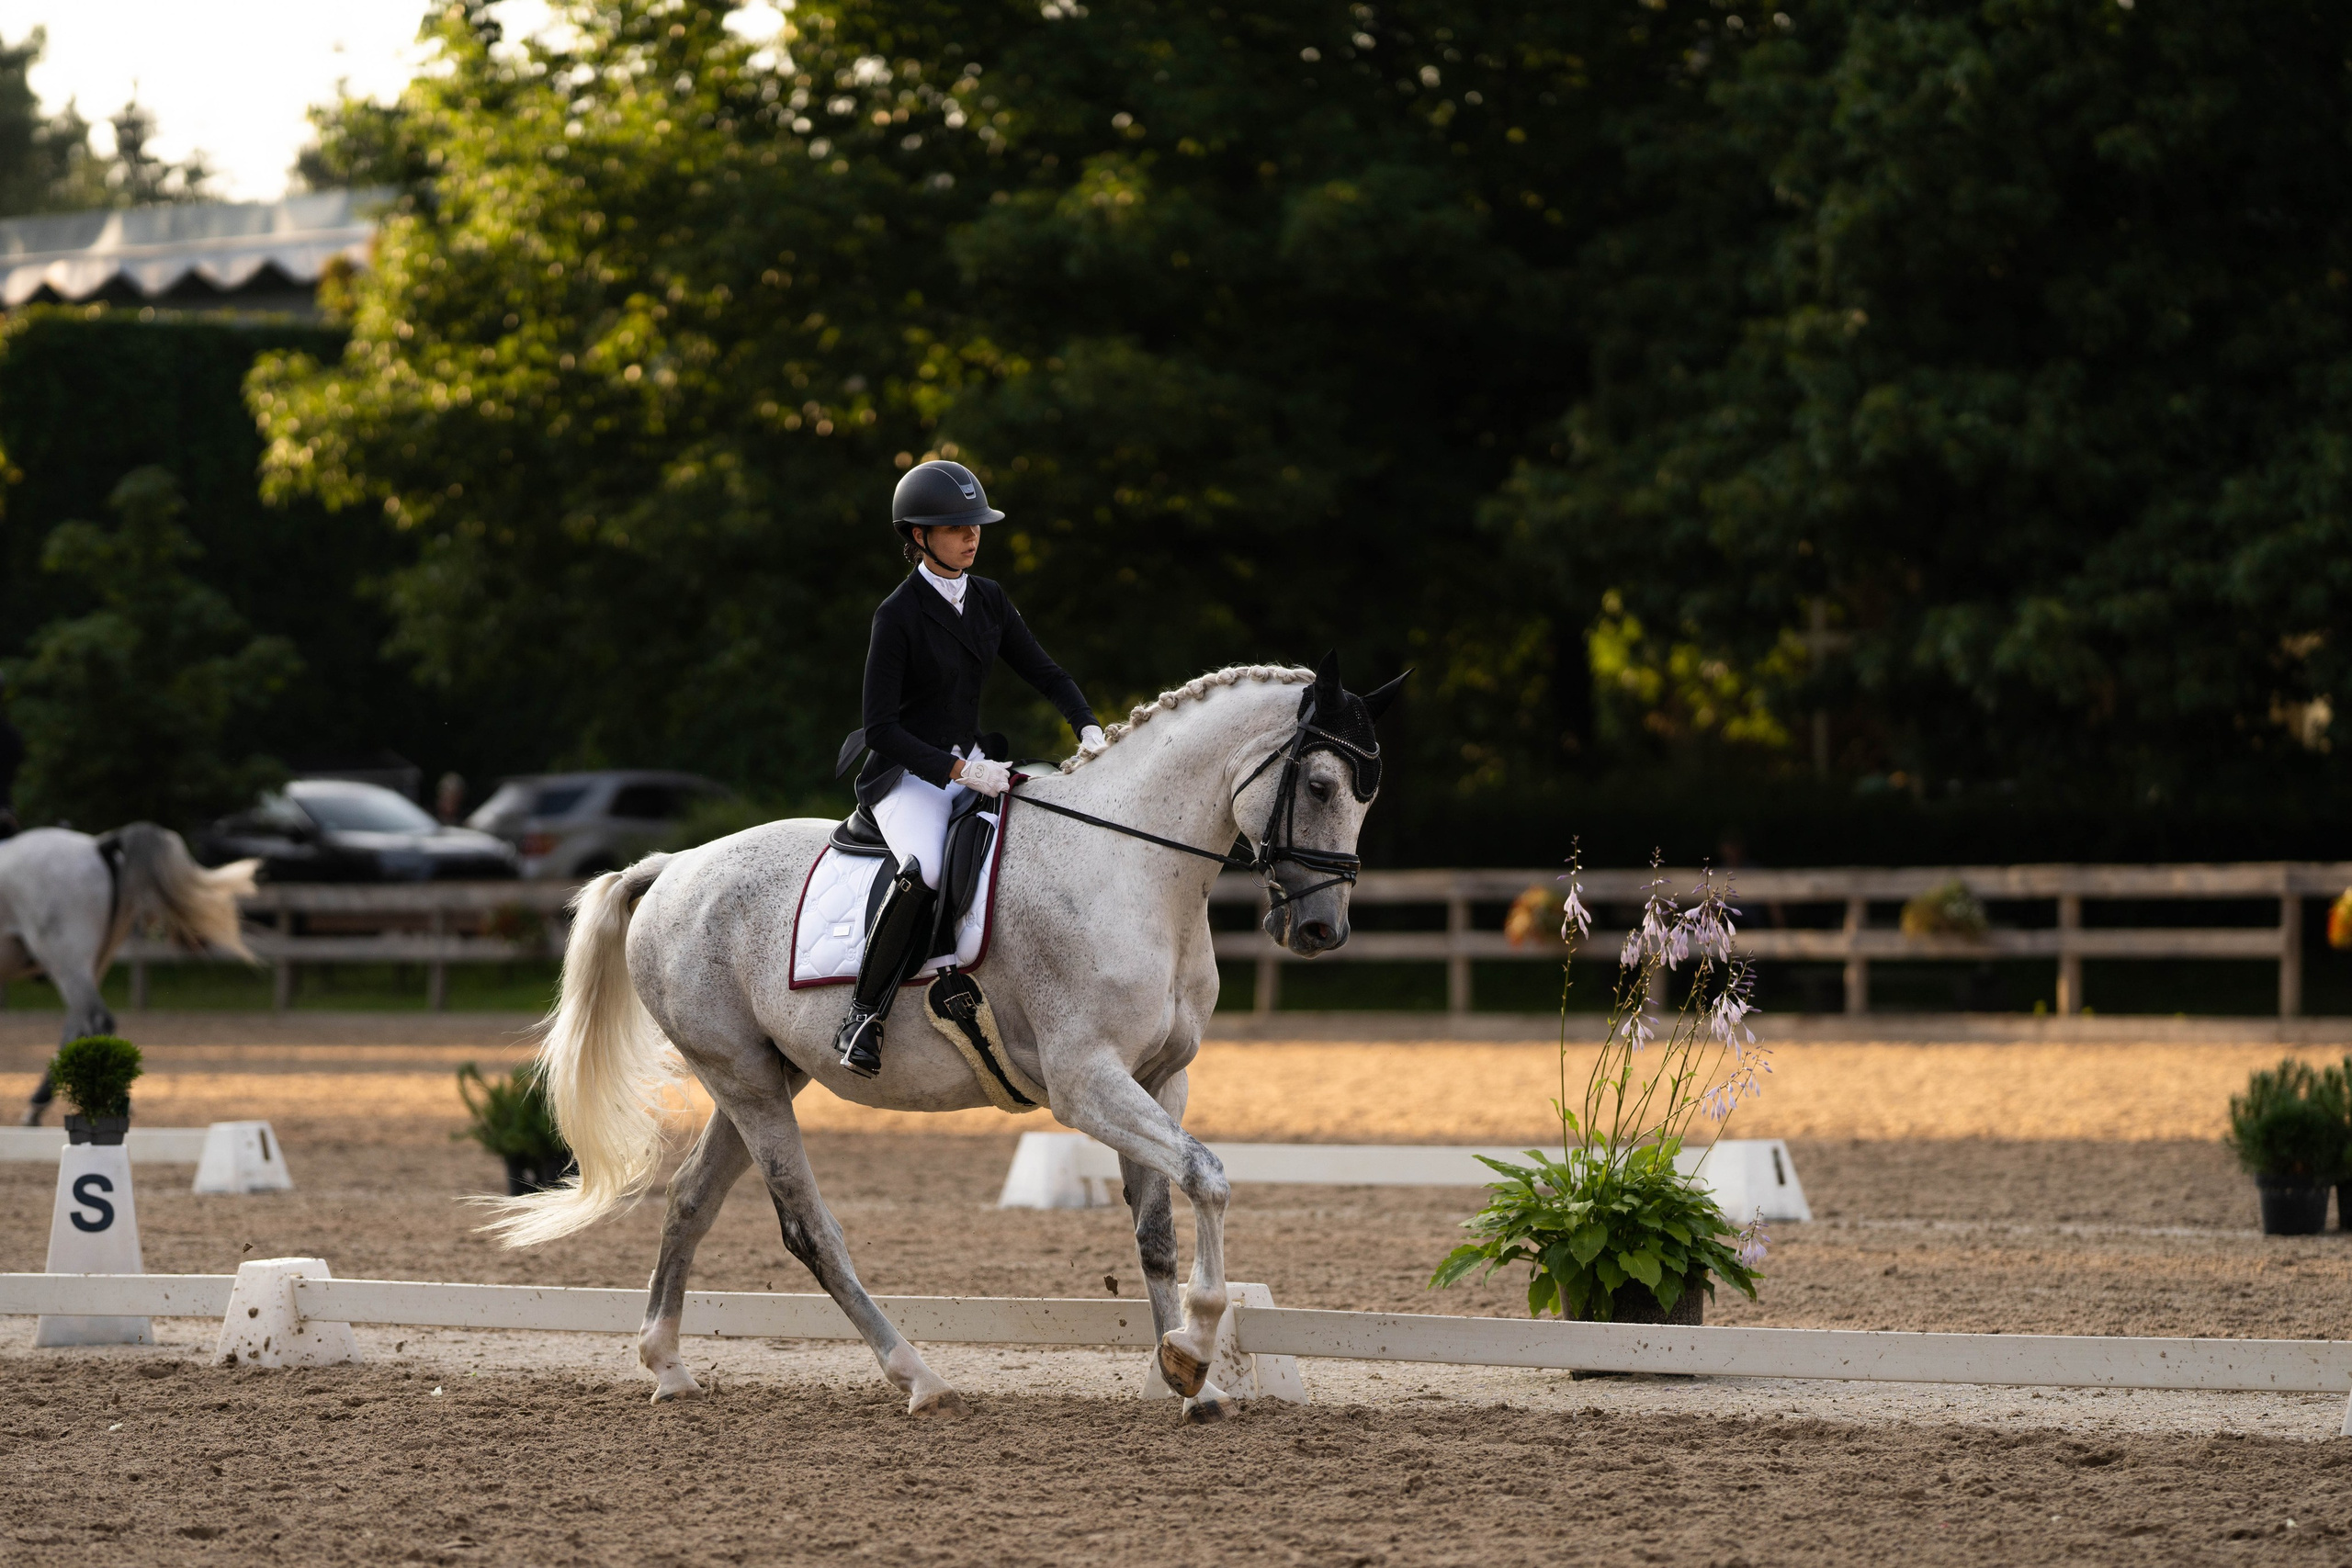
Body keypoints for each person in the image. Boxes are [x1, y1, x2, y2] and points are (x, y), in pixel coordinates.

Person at [832, 458, 1104, 1077]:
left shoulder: (988, 598)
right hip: (909, 772)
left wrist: (1086, 724)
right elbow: (881, 729)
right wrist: (956, 771)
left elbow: (1045, 671)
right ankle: (864, 1015)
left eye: (976, 525)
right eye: (956, 527)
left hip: (972, 756)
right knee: (924, 867)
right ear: (920, 536)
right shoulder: (896, 615)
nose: (972, 536)